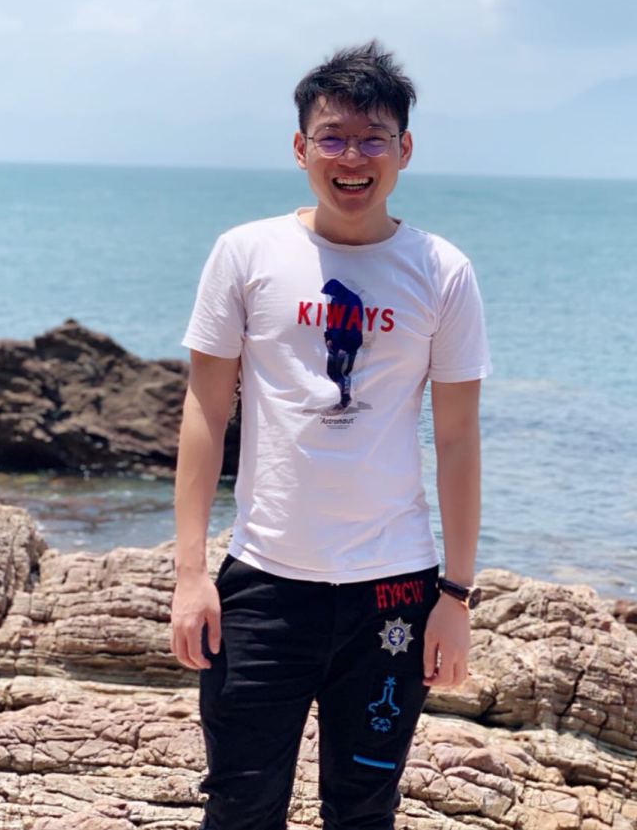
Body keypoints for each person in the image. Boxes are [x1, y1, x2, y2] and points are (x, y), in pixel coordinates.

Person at [170, 40, 492, 830]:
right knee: (239, 806)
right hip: (264, 584)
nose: (352, 158)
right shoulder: (246, 253)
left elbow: (456, 437)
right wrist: (189, 572)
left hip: (394, 592)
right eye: (333, 138)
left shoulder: (441, 271)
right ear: (300, 147)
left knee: (363, 809)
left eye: (372, 138)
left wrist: (455, 595)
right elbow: (205, 410)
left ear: (404, 149)